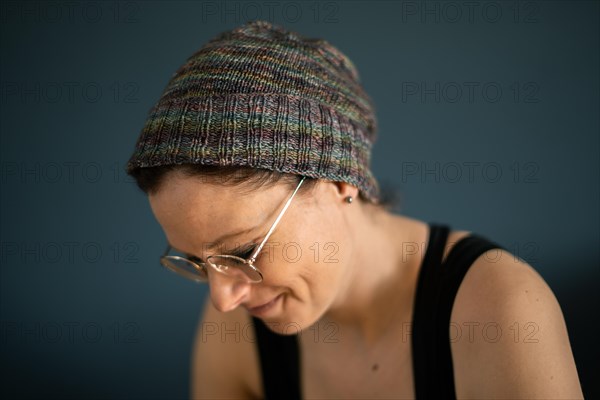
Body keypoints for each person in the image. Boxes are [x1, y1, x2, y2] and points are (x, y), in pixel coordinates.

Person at [125, 20, 584, 400]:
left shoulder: (501, 310)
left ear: (338, 182)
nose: (224, 300)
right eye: (200, 264)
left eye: (242, 251)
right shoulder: (241, 331)